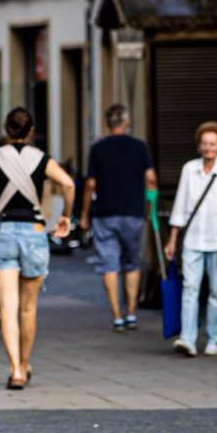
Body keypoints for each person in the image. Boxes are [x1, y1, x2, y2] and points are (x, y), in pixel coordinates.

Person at [0, 107, 75, 389]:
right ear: (31, 130)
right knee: (29, 307)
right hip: (34, 232)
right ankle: (25, 362)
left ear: (6, 130)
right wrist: (65, 216)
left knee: (8, 307)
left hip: (4, 233)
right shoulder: (42, 159)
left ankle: (15, 370)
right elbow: (69, 183)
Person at [164, 122, 217, 357]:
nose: (208, 148)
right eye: (205, 143)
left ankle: (214, 338)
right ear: (199, 146)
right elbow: (181, 206)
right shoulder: (190, 169)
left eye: (213, 144)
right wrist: (172, 240)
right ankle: (187, 338)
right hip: (193, 240)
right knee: (190, 289)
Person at [78, 103, 158, 332]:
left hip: (105, 213)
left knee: (109, 264)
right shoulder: (139, 147)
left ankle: (117, 316)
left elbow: (90, 184)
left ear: (107, 123)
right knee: (132, 263)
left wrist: (84, 214)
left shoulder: (98, 149)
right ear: (127, 121)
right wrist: (148, 207)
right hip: (132, 212)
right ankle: (132, 312)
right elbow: (151, 179)